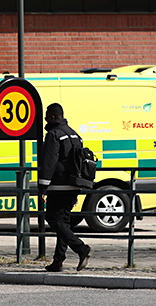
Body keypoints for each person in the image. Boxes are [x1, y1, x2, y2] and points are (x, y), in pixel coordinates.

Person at [39, 103, 93, 272]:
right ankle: (58, 261)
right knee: (65, 222)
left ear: (53, 117)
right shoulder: (75, 134)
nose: (45, 120)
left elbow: (49, 162)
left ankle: (81, 248)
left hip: (59, 185)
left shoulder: (54, 134)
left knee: (53, 219)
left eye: (46, 116)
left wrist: (42, 187)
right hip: (74, 184)